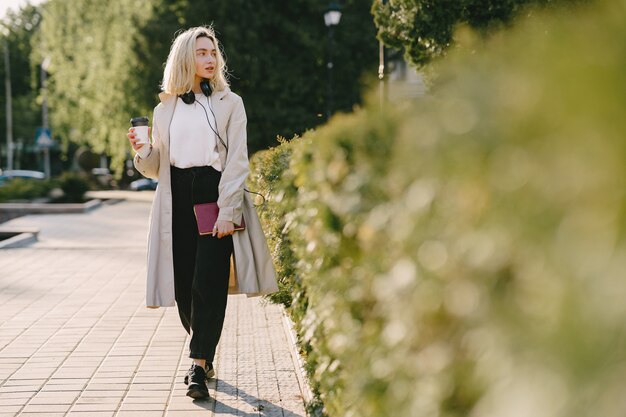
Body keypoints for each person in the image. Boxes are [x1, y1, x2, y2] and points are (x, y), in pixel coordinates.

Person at [127, 26, 278, 400]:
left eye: (213, 53)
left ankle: (197, 364)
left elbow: (237, 161)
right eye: (202, 53)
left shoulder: (230, 103)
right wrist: (142, 151)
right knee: (183, 287)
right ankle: (205, 353)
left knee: (208, 283)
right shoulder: (165, 109)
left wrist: (228, 209)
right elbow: (156, 166)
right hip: (175, 196)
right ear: (184, 59)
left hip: (214, 194)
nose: (210, 59)